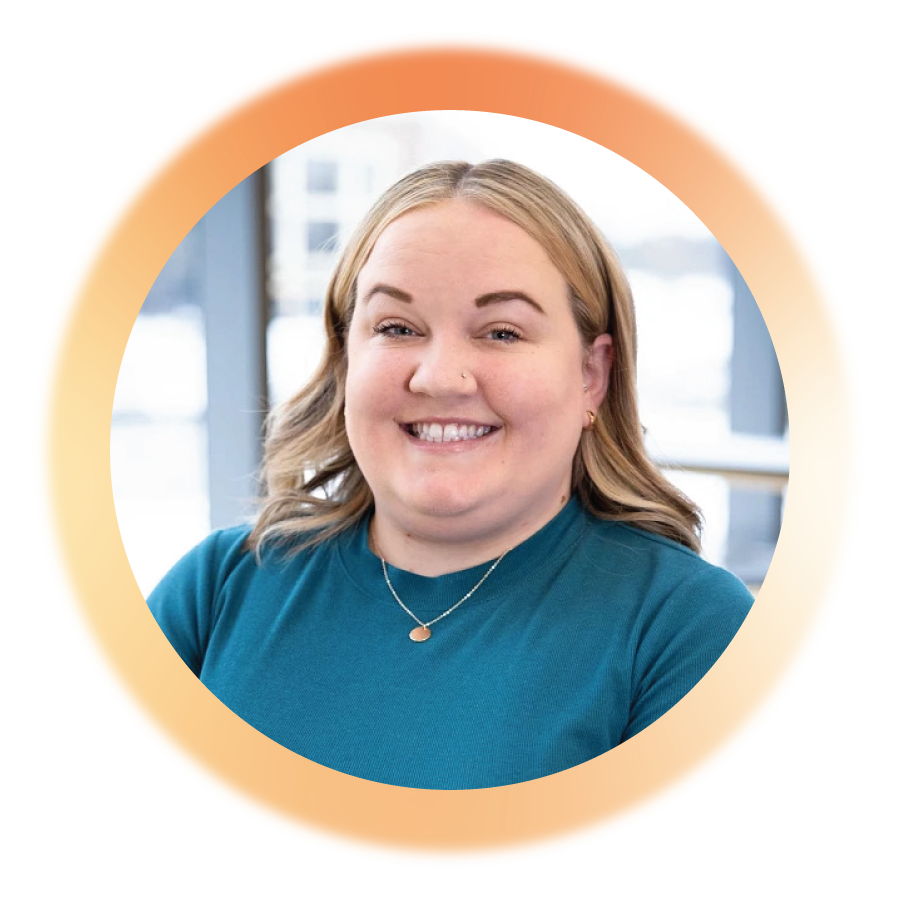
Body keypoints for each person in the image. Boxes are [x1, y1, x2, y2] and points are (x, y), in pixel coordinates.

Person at [149, 160, 753, 790]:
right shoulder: (218, 588)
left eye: (502, 332)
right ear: (346, 358)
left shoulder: (688, 628)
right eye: (396, 328)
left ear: (590, 375)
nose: (439, 377)